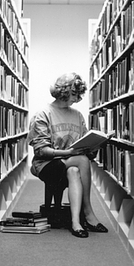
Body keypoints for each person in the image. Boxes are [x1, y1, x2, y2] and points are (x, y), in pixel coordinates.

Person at [27, 72, 108, 238]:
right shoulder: (43, 114)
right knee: (81, 160)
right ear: (62, 91)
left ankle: (76, 222)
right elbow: (41, 151)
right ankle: (88, 211)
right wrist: (69, 153)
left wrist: (94, 145)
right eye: (73, 94)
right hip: (46, 165)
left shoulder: (77, 115)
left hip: (72, 163)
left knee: (74, 171)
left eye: (79, 95)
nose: (76, 98)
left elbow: (84, 143)